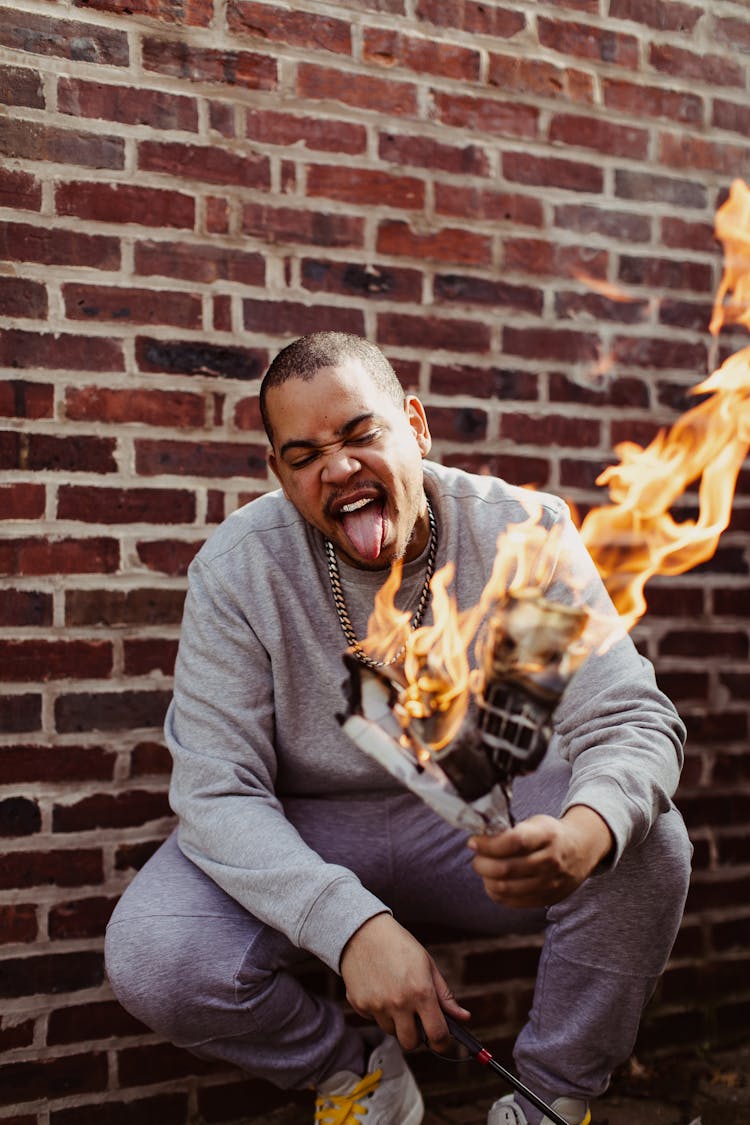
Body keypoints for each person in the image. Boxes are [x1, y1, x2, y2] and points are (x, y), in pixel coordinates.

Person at [105, 332, 692, 1125]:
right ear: (279, 474)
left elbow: (625, 717)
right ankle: (359, 1078)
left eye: (359, 433)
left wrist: (585, 834)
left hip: (482, 825)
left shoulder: (517, 534)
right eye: (304, 453)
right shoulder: (240, 571)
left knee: (647, 841)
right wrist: (351, 931)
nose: (337, 467)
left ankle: (551, 1098)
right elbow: (215, 791)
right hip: (309, 829)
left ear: (414, 425)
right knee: (153, 951)